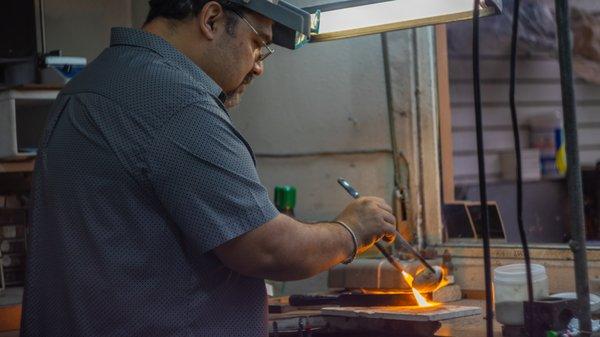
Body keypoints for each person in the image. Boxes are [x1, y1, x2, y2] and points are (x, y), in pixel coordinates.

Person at [20, 1, 397, 336]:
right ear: (212, 19)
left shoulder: (92, 84)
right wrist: (352, 230)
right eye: (258, 44)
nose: (259, 66)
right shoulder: (175, 101)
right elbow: (268, 249)